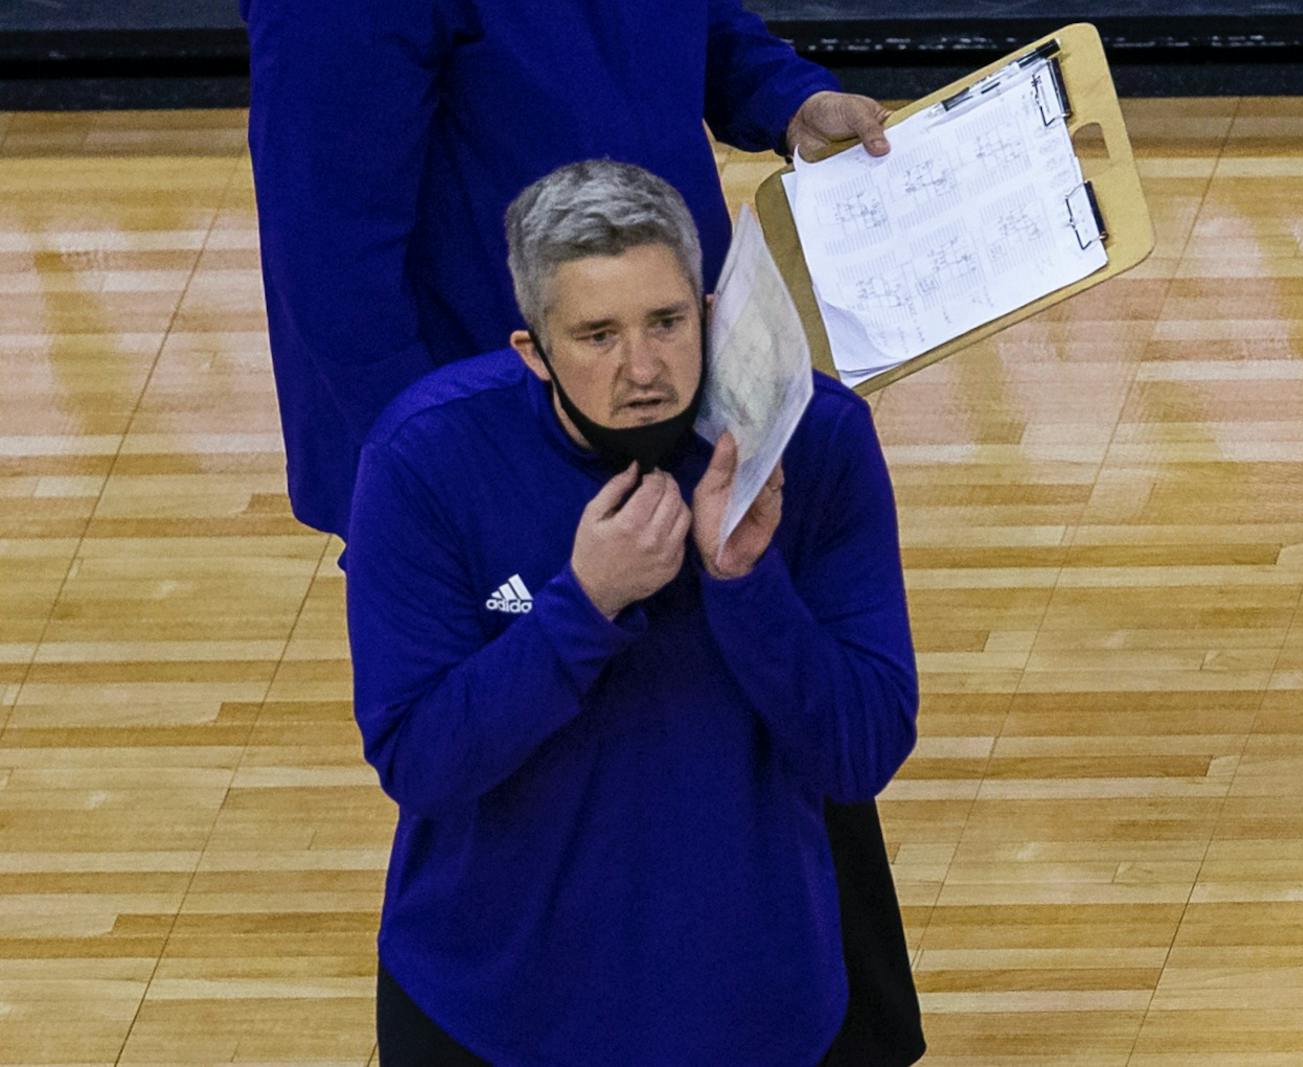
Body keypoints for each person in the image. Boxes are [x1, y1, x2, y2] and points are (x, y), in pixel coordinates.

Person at [242, 3, 923, 1061]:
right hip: (513, 463)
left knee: (766, 767)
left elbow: (683, 25)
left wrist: (784, 97)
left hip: (703, 420)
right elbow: (329, 262)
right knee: (541, 801)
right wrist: (456, 482)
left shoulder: (805, 435)